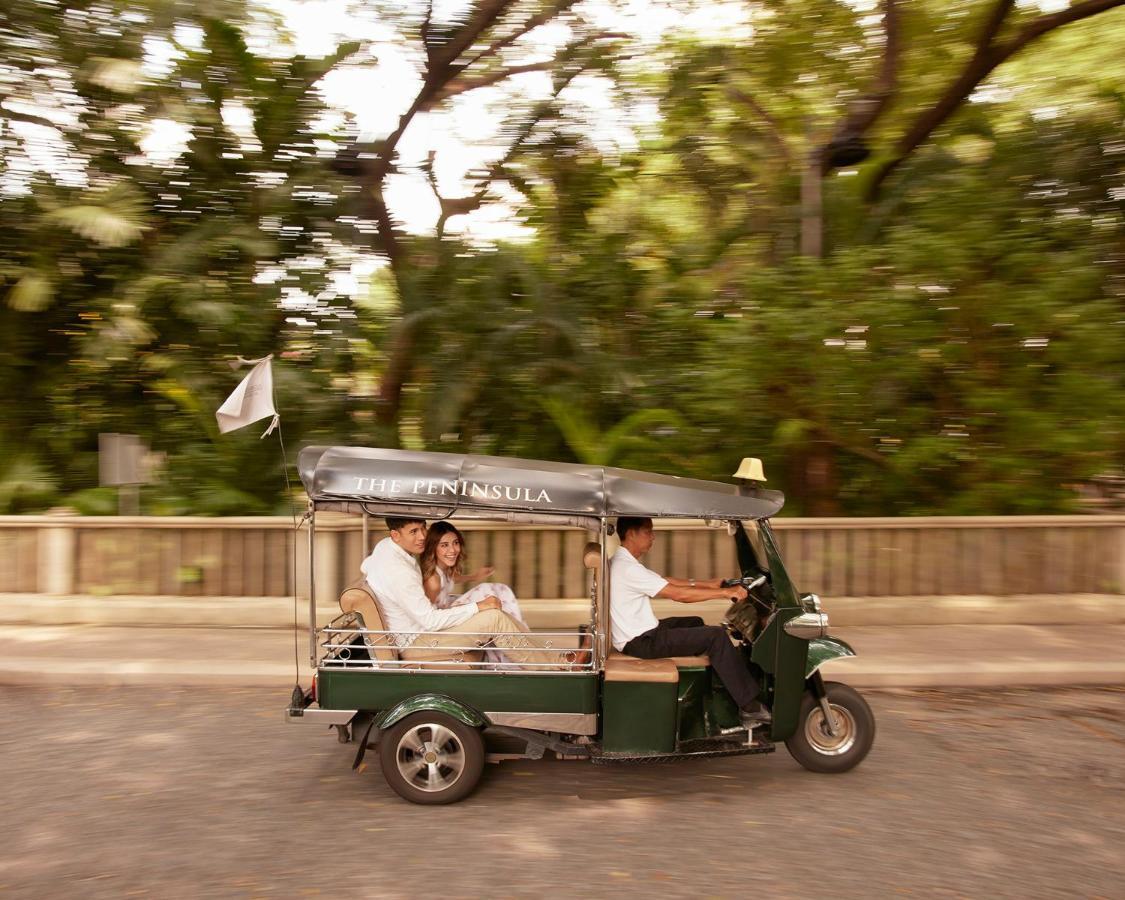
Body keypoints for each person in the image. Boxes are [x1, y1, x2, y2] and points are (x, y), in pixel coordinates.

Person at [362, 517, 586, 668]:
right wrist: (478, 606)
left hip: (419, 632)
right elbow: (429, 620)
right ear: (395, 535)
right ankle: (549, 670)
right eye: (413, 531)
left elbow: (366, 566)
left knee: (496, 610)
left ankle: (558, 660)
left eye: (423, 528)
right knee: (493, 618)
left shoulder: (386, 548)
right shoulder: (397, 571)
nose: (422, 536)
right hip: (418, 643)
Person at [609, 516, 769, 725]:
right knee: (716, 637)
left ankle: (713, 681)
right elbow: (678, 594)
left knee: (695, 621)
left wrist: (711, 585)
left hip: (640, 634)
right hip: (642, 642)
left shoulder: (623, 562)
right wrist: (724, 593)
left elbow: (667, 581)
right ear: (631, 534)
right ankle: (750, 706)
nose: (653, 537)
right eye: (648, 532)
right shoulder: (628, 569)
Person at [419, 520, 529, 664]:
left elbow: (453, 578)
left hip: (450, 612)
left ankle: (517, 637)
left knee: (499, 590)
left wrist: (475, 576)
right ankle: (519, 639)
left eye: (455, 543)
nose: (452, 550)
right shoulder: (433, 581)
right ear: (433, 548)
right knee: (487, 591)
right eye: (444, 545)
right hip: (443, 624)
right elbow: (428, 618)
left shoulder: (444, 569)